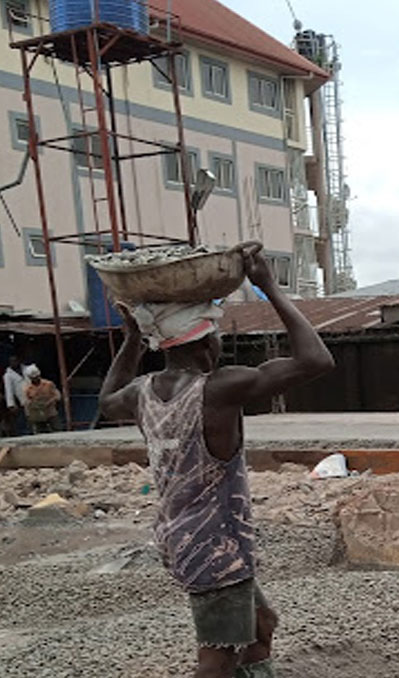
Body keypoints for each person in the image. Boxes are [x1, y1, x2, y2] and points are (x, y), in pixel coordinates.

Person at [98, 244, 335, 678]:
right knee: (218, 659)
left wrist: (132, 339)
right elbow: (316, 360)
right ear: (208, 339)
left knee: (262, 626)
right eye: (218, 333)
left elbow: (105, 398)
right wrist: (268, 287)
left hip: (183, 541)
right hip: (215, 550)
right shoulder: (218, 388)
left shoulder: (143, 392)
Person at [23, 364, 62, 434]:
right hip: (38, 416)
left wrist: (50, 401)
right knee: (41, 434)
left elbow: (57, 395)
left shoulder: (48, 384)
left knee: (58, 431)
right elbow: (27, 402)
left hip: (51, 413)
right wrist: (29, 414)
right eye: (33, 378)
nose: (35, 379)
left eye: (36, 377)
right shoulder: (28, 389)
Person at [3, 355, 27, 437]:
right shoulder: (8, 375)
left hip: (32, 396)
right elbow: (8, 390)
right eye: (12, 361)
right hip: (20, 399)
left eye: (16, 360)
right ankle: (24, 433)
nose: (14, 363)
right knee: (22, 420)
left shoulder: (26, 369)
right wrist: (11, 405)